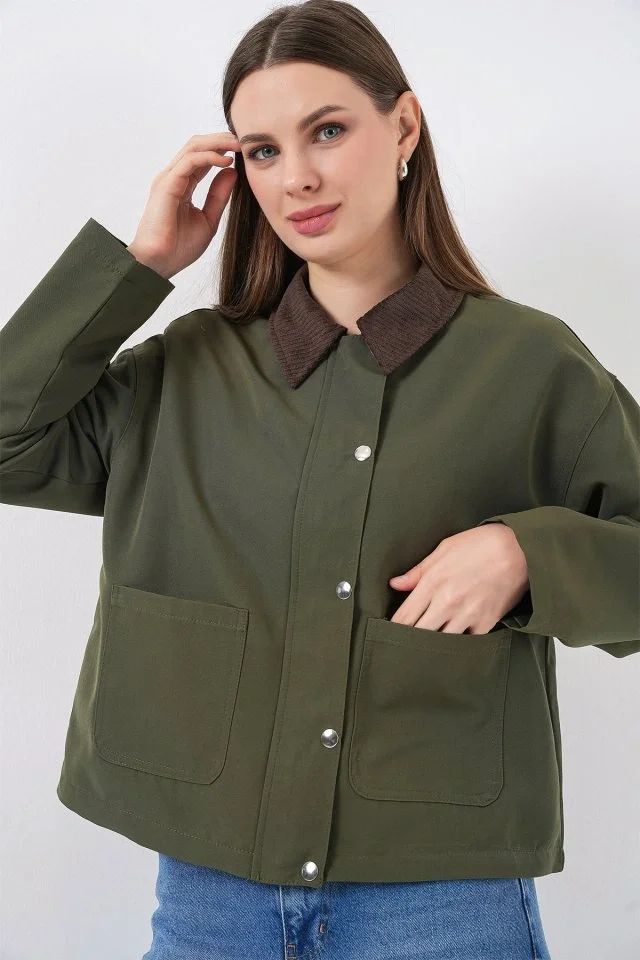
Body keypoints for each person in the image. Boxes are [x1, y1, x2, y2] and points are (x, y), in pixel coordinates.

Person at [2, 2, 638, 958]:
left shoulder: (531, 366)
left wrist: (528, 557)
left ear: (404, 128)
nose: (296, 176)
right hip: (210, 898)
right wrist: (139, 267)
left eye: (327, 130)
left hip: (443, 902)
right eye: (262, 150)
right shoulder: (188, 370)